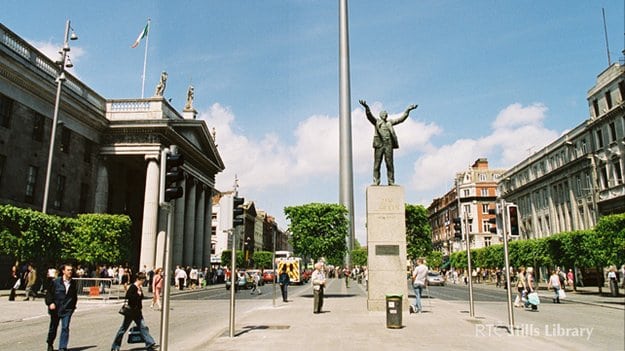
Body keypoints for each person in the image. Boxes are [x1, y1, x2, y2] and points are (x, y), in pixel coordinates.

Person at [359, 99, 418, 186]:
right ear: (380, 115)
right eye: (382, 114)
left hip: (388, 144)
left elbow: (401, 119)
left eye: (385, 114)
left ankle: (391, 181)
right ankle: (376, 181)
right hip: (379, 144)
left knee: (389, 164)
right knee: (377, 164)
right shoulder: (376, 122)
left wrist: (408, 110)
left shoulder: (390, 122)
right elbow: (369, 116)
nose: (384, 115)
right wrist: (366, 107)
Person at [111, 272, 157, 351]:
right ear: (139, 279)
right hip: (131, 311)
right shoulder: (133, 287)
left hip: (137, 312)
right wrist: (138, 294)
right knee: (123, 329)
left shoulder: (139, 287)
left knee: (143, 327)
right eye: (143, 280)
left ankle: (149, 343)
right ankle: (115, 346)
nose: (143, 282)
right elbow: (129, 297)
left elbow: (141, 297)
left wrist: (140, 294)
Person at [45, 264, 78, 351]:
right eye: (68, 270)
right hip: (56, 309)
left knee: (65, 327)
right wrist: (50, 303)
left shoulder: (73, 283)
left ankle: (62, 347)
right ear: (63, 271)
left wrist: (73, 307)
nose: (70, 272)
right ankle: (50, 343)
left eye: (71, 270)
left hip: (67, 309)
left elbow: (74, 296)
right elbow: (49, 293)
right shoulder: (56, 282)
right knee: (53, 328)